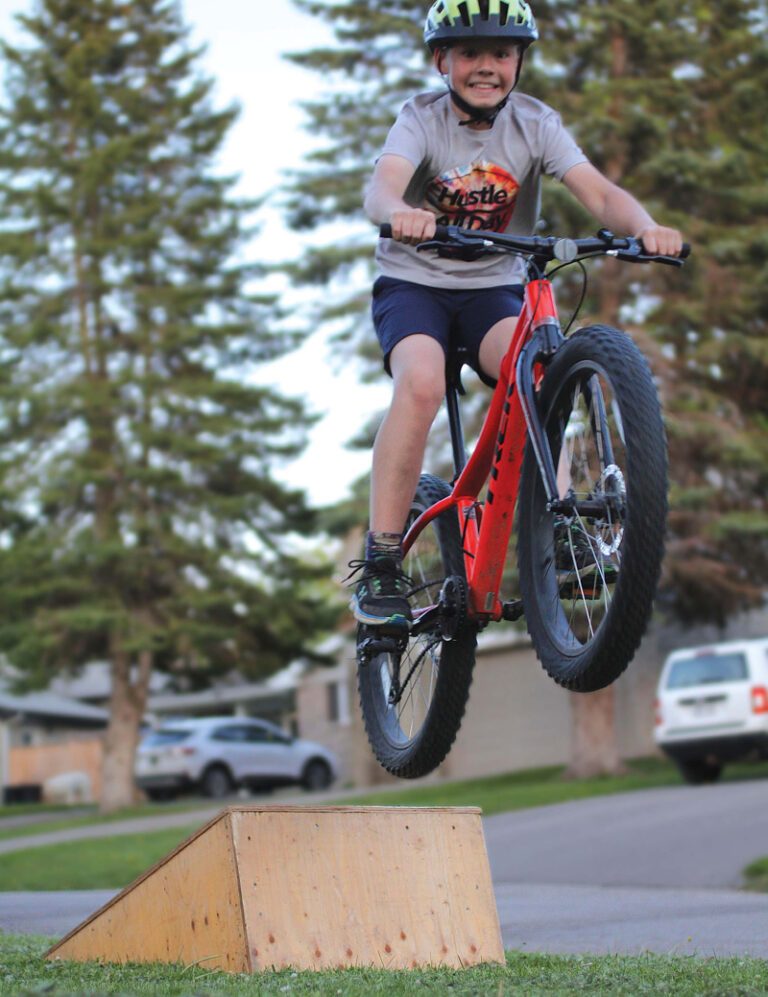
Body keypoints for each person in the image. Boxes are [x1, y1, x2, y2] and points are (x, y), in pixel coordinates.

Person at [350, 0, 683, 632]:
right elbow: (382, 186)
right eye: (470, 53)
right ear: (441, 60)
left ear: (519, 61)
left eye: (501, 54)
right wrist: (398, 211)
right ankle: (384, 559)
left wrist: (644, 227)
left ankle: (558, 525)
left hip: (491, 291)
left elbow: (599, 191)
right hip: (414, 284)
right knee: (419, 383)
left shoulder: (535, 123)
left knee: (536, 372)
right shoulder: (420, 118)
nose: (486, 67)